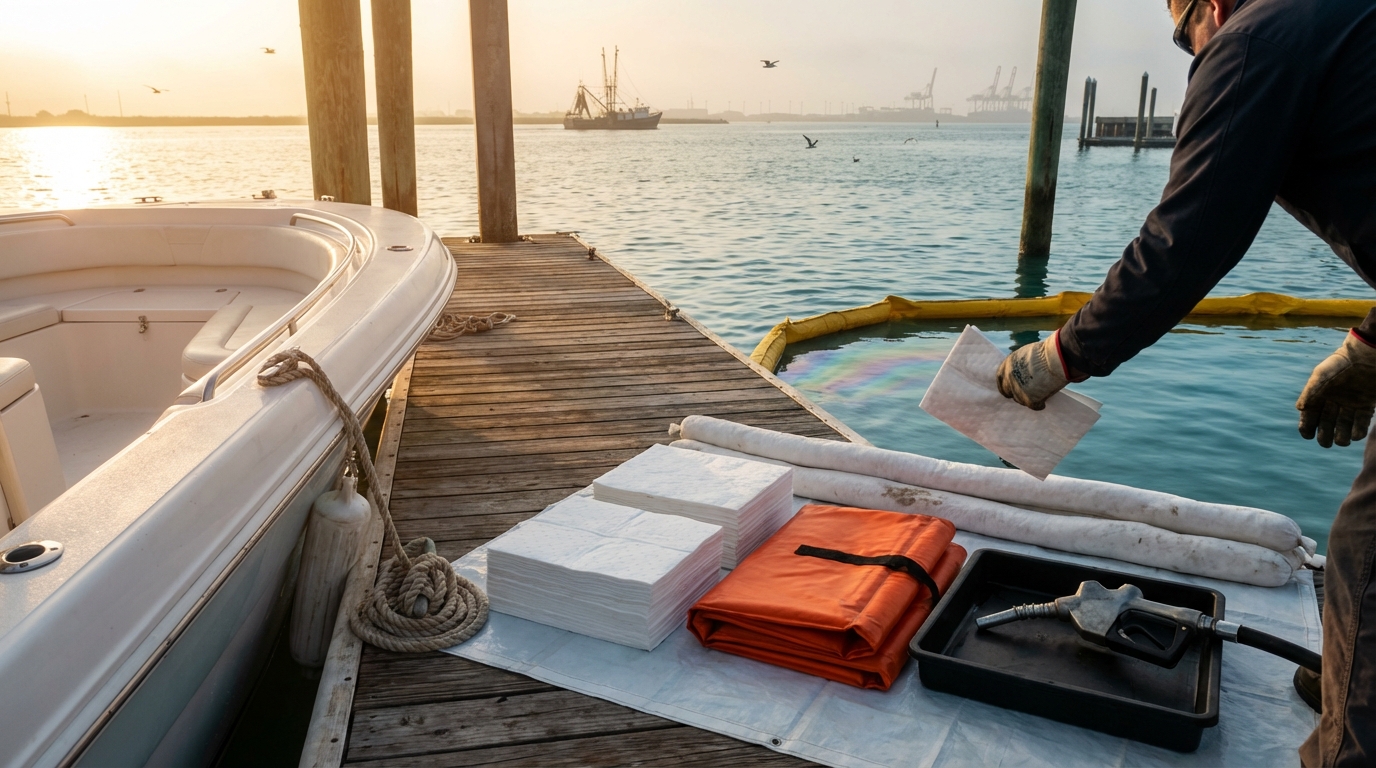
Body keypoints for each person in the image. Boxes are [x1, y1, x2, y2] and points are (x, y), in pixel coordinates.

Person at [994, 0, 1376, 764]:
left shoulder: (1251, 42)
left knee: (1368, 554)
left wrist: (1061, 356)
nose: (1193, 53)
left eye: (1183, 34)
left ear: (1209, 4)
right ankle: (1356, 682)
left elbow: (1187, 238)